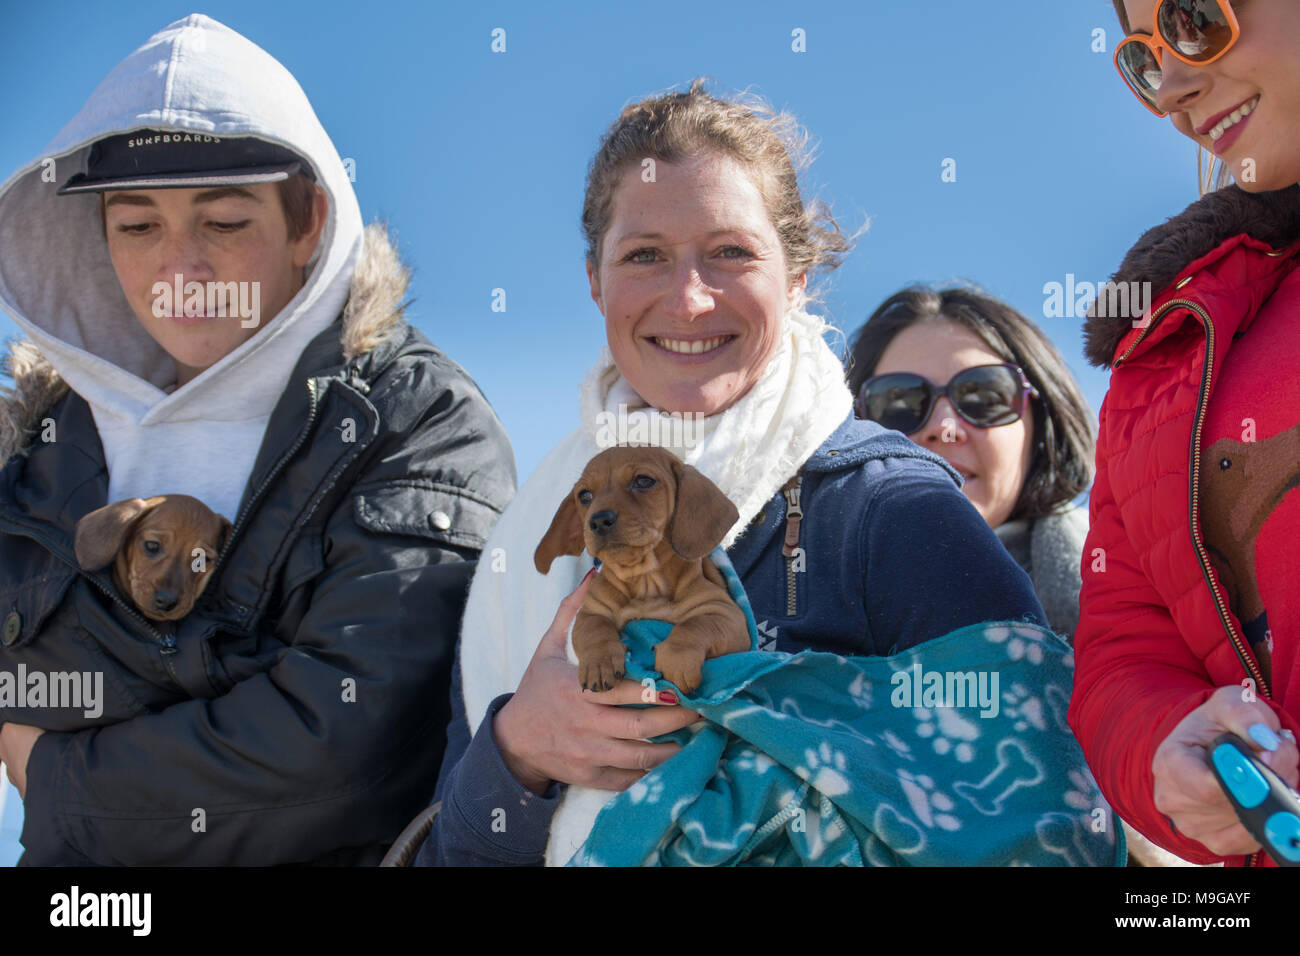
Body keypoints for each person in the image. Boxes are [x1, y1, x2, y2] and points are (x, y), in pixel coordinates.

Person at [408, 81, 1115, 867]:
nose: (689, 297)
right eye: (645, 255)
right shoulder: (532, 538)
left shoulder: (896, 509)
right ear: (593, 280)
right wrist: (516, 755)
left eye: (731, 252)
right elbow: (449, 852)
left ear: (800, 276)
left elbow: (1049, 828)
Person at [0, 13, 514, 865]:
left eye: (224, 222)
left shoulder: (415, 422)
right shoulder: (43, 438)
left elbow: (348, 747)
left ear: (309, 221)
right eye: (137, 227)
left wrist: (54, 770)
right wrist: (238, 693)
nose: (180, 271)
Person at [1069, 0, 1300, 867]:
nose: (1170, 90)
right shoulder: (1161, 355)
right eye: (1142, 57)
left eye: (1197, 17)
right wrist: (1174, 750)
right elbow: (1122, 659)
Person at [846, 286, 1095, 643]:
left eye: (983, 394)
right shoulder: (780, 598)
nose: (943, 428)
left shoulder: (1148, 586)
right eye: (898, 402)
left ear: (1041, 422)